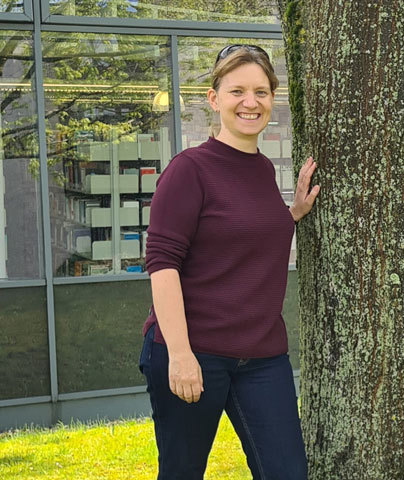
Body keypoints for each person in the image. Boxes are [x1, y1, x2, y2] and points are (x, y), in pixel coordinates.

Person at [138, 44, 319, 480]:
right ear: (214, 98)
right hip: (193, 352)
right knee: (183, 473)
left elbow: (239, 236)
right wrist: (180, 355)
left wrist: (289, 215)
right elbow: (162, 264)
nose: (250, 102)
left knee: (288, 473)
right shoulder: (189, 170)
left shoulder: (261, 170)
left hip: (262, 357)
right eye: (237, 91)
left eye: (261, 91)